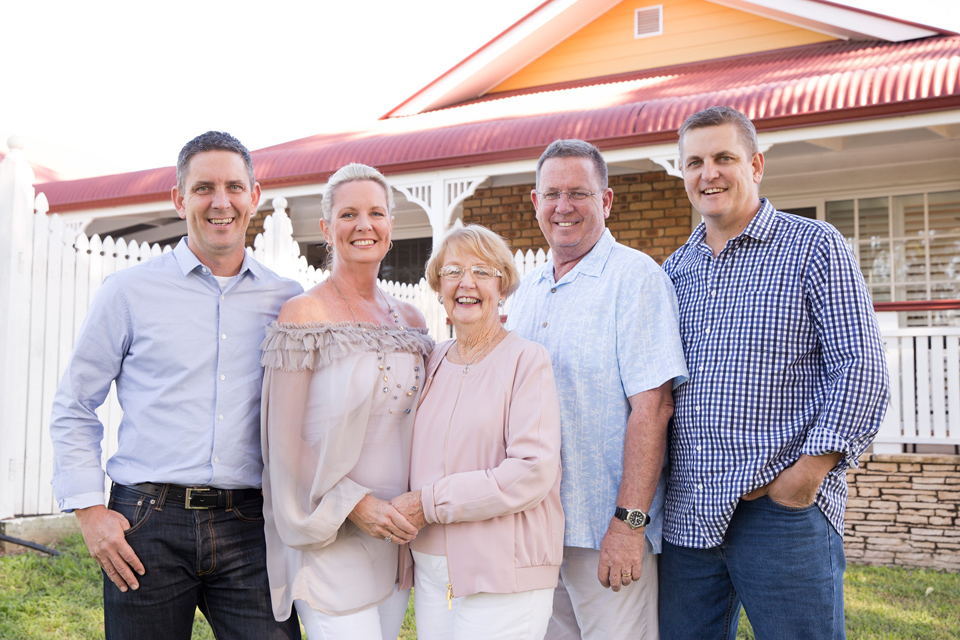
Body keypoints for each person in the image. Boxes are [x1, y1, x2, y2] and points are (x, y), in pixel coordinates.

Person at [49, 131, 303, 639]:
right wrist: (89, 510)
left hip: (251, 525)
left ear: (254, 197)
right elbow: (76, 405)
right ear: (179, 198)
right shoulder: (128, 292)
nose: (220, 201)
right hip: (146, 525)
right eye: (204, 187)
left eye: (234, 186)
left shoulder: (288, 301)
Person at [660, 105, 889, 639]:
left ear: (756, 164)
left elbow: (860, 367)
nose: (707, 173)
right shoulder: (674, 271)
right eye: (693, 162)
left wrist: (807, 474)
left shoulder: (813, 246)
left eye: (723, 158)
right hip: (690, 515)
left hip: (779, 512)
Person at [507, 139, 688, 640]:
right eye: (552, 194)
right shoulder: (525, 292)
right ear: (535, 202)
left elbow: (653, 408)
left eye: (579, 193)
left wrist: (629, 525)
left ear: (605, 201)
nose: (563, 207)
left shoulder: (635, 279)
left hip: (604, 530)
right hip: (535, 529)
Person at [260, 162, 433, 640]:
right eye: (348, 214)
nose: (364, 225)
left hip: (397, 532)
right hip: (332, 530)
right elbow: (282, 436)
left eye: (376, 213)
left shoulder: (412, 320)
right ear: (326, 228)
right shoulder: (304, 313)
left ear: (391, 228)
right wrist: (358, 506)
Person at [390, 224, 563, 640]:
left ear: (501, 286)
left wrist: (428, 503)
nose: (466, 283)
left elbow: (531, 471)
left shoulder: (526, 360)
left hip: (502, 569)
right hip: (433, 568)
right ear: (438, 286)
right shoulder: (431, 359)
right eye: (452, 272)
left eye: (482, 271)